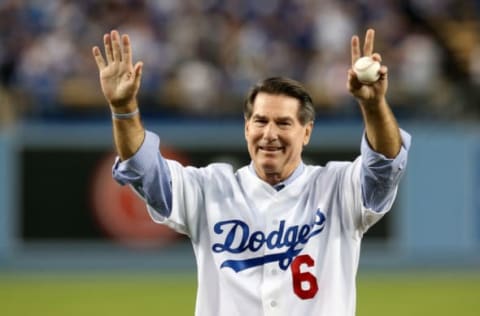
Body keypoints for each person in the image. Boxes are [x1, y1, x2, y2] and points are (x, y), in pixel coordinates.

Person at [92, 28, 410, 316]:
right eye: (260, 121)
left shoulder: (338, 187)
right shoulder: (209, 189)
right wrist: (123, 109)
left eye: (284, 123)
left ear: (307, 132)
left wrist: (373, 106)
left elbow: (385, 164)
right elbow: (144, 171)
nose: (269, 134)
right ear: (247, 129)